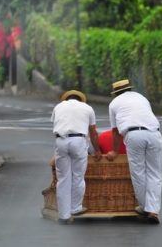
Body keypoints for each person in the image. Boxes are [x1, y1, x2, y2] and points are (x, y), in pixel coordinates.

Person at [108, 79, 162, 224]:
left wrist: (114, 151)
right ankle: (153, 210)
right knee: (154, 173)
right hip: (154, 133)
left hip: (134, 135)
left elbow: (115, 131)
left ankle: (146, 207)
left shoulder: (114, 103)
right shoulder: (142, 98)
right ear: (129, 88)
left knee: (138, 172)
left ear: (115, 93)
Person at [51, 89, 102, 224]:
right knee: (78, 176)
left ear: (66, 99)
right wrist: (97, 150)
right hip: (78, 141)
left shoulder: (58, 107)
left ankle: (64, 215)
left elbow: (58, 125)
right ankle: (75, 207)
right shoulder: (87, 108)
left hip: (60, 141)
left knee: (63, 178)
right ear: (81, 99)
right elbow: (93, 132)